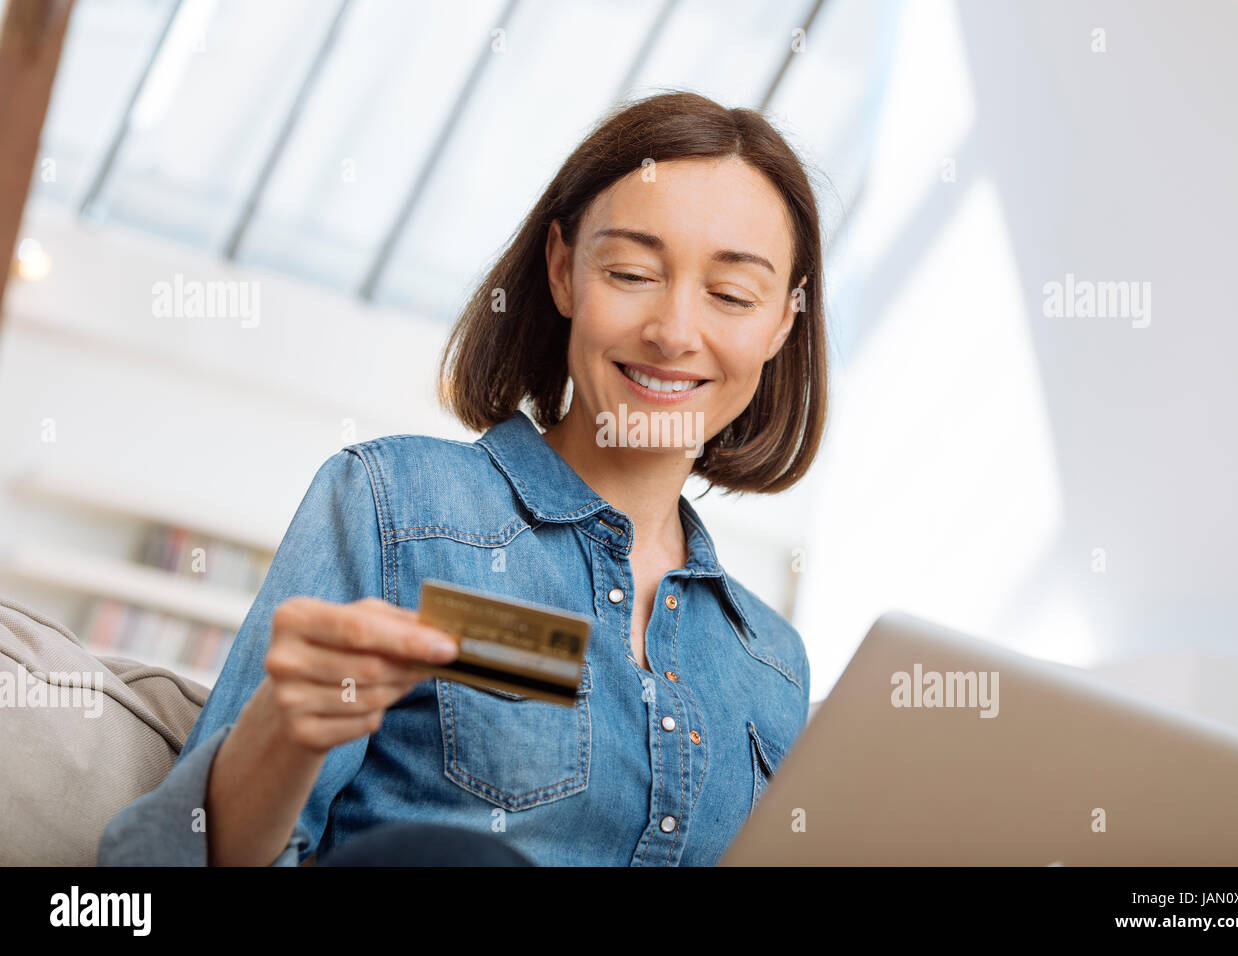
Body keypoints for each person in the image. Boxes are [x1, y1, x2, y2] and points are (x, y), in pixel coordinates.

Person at [98, 90, 828, 867]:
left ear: (783, 321)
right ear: (562, 271)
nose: (675, 332)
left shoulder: (772, 666)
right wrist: (284, 728)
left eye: (731, 295)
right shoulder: (394, 506)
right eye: (631, 272)